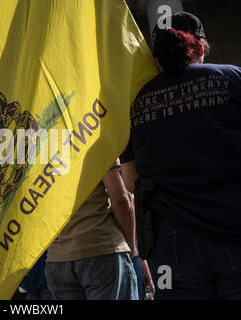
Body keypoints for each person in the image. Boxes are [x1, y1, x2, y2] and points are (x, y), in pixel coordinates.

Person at [120, 12, 241, 299]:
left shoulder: (136, 103)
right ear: (200, 48)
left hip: (170, 244)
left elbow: (129, 180)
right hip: (232, 228)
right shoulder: (232, 78)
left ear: (156, 58)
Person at [44, 160, 140, 300]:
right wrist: (130, 248)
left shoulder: (37, 151)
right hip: (102, 247)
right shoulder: (93, 139)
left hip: (58, 257)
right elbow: (121, 200)